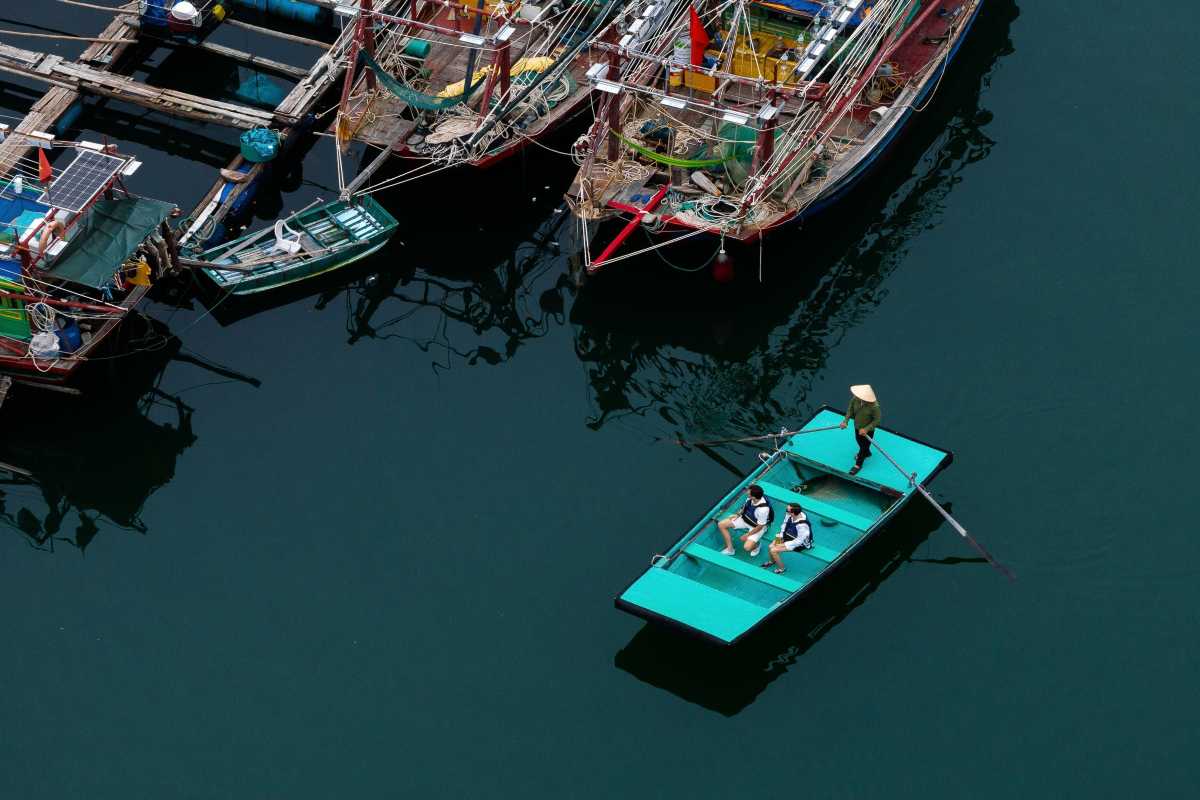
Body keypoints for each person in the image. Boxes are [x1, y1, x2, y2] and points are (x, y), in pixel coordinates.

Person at [717, 484, 774, 557]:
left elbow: (760, 526)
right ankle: (730, 549)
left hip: (756, 526)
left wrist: (747, 535)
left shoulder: (763, 510)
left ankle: (757, 546)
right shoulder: (750, 499)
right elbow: (744, 507)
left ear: (753, 496)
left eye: (748, 492)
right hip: (745, 519)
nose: (746, 492)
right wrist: (737, 514)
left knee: (747, 547)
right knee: (721, 524)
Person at [839, 384, 881, 476]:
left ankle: (858, 465)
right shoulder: (855, 399)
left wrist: (866, 429)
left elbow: (877, 420)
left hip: (868, 431)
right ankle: (867, 453)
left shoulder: (874, 407)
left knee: (863, 447)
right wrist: (845, 421)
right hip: (857, 426)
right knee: (860, 442)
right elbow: (850, 410)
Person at [761, 503, 812, 575]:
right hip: (786, 536)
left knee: (773, 550)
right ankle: (772, 561)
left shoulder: (802, 525)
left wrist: (783, 544)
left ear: (793, 513)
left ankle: (782, 568)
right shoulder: (789, 515)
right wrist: (780, 536)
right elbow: (784, 524)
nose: (786, 511)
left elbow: (799, 541)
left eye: (787, 510)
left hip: (799, 544)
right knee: (770, 546)